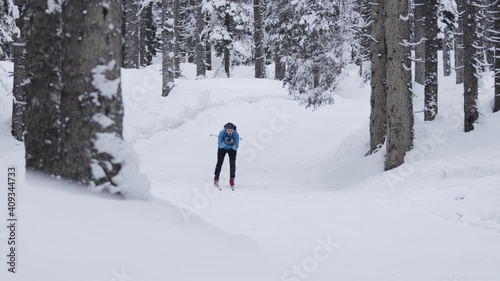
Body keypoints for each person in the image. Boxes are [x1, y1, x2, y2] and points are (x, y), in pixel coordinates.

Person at [214, 122, 239, 187]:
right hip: (222, 149)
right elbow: (220, 145)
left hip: (232, 149)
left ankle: (232, 178)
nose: (230, 132)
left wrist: (232, 144)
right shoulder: (221, 133)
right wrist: (225, 142)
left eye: (231, 130)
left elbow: (236, 147)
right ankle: (216, 178)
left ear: (233, 130)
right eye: (228, 130)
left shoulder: (236, 135)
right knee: (219, 163)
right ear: (226, 129)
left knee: (232, 163)